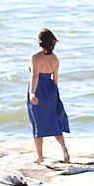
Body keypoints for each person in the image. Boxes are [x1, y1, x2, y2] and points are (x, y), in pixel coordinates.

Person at [27, 28, 70, 163]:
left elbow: (34, 76)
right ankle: (64, 149)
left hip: (38, 88)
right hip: (51, 90)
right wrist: (54, 94)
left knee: (37, 124)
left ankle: (40, 156)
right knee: (54, 121)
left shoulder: (36, 57)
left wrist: (32, 93)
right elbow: (55, 79)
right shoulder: (55, 58)